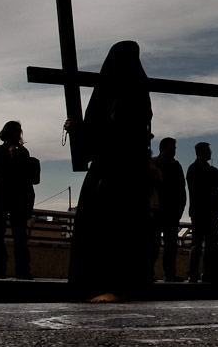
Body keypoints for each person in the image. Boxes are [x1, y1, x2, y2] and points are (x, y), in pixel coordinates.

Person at [65, 41, 155, 303]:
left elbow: (115, 135)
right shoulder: (138, 91)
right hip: (127, 173)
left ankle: (109, 285)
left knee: (109, 229)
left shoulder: (125, 95)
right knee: (121, 230)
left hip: (114, 173)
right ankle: (116, 285)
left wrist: (81, 130)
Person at [0, 121, 39, 279]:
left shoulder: (23, 152)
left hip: (14, 198)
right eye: (14, 131)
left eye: (19, 131)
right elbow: (1, 171)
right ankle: (1, 270)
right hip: (6, 197)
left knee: (19, 236)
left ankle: (20, 270)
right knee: (2, 235)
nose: (17, 134)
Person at [186, 141, 218, 283]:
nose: (211, 153)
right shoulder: (195, 169)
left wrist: (213, 179)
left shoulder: (204, 169)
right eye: (208, 150)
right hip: (200, 212)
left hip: (209, 213)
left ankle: (206, 273)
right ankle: (194, 274)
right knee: (198, 244)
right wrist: (214, 179)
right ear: (201, 152)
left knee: (209, 245)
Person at [152, 137, 186, 282]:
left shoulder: (176, 166)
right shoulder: (154, 164)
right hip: (157, 209)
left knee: (171, 246)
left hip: (172, 212)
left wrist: (180, 209)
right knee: (152, 244)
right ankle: (149, 273)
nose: (174, 151)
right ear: (164, 148)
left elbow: (181, 190)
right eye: (172, 148)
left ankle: (170, 274)